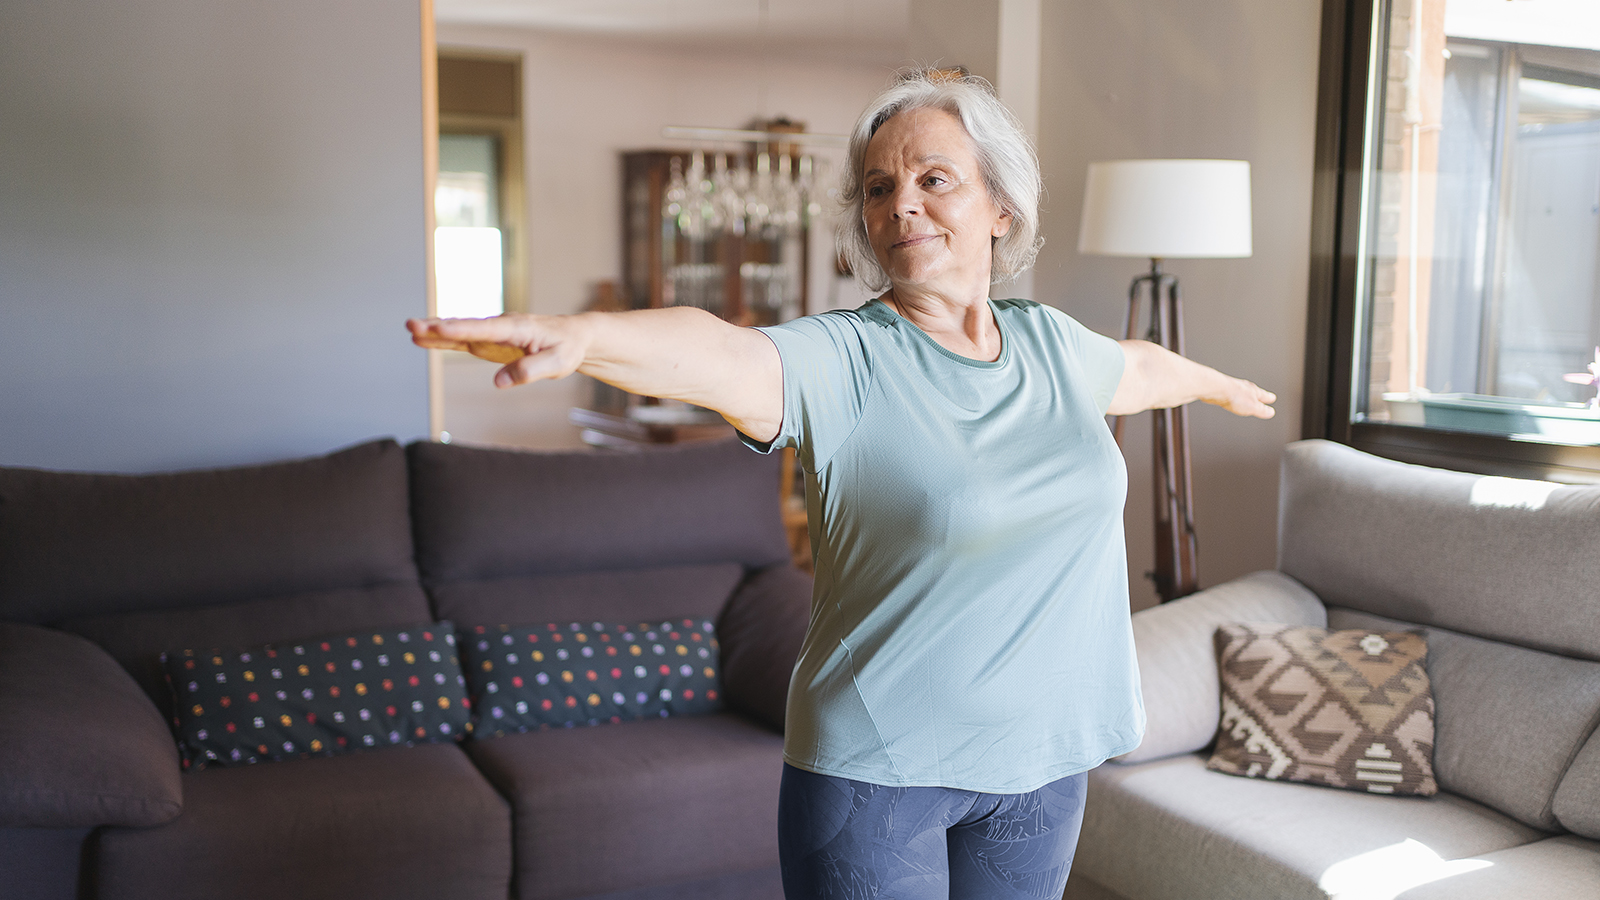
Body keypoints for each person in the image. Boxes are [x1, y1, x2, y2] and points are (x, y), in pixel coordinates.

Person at [409, 68, 1274, 900]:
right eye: (878, 188)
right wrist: (585, 336)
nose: (901, 204)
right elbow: (721, 352)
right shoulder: (846, 358)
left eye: (934, 179)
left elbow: (1138, 369)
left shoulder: (1050, 343)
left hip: (1044, 762)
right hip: (881, 774)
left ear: (1001, 208)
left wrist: (1219, 385)